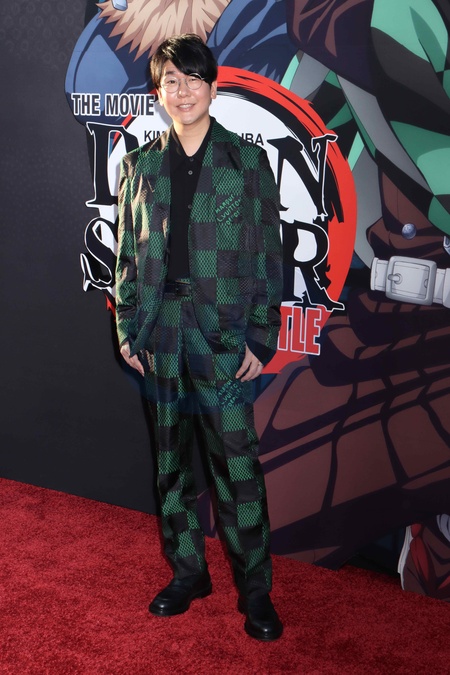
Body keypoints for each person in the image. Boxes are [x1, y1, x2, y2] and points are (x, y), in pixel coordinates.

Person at [115, 33, 284, 641]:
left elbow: (271, 257)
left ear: (212, 87)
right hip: (159, 331)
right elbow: (127, 256)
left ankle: (255, 591)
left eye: (192, 79)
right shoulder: (139, 166)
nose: (182, 91)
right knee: (170, 463)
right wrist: (127, 327)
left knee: (237, 467)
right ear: (158, 93)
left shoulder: (247, 163)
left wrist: (260, 335)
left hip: (223, 334)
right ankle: (188, 572)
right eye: (170, 81)